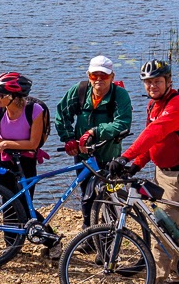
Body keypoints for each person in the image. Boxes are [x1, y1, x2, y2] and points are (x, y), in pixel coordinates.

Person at [109, 59, 179, 284]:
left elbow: (155, 132)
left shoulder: (176, 105)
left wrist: (124, 156)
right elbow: (152, 143)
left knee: (163, 227)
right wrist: (135, 164)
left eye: (157, 81)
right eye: (148, 82)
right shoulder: (154, 106)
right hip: (162, 171)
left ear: (168, 82)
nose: (152, 85)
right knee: (172, 223)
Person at [55, 55, 133, 230]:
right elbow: (62, 115)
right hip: (83, 155)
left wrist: (95, 131)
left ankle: (110, 233)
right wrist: (68, 139)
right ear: (88, 75)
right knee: (86, 194)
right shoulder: (80, 90)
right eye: (94, 75)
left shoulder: (120, 95)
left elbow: (123, 123)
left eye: (104, 76)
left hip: (109, 154)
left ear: (112, 76)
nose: (98, 80)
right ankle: (88, 232)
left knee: (111, 195)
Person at [0, 72, 58, 255]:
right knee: (8, 200)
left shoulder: (35, 110)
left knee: (25, 205)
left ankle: (51, 241)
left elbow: (33, 143)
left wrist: (5, 143)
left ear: (14, 97)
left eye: (1, 94)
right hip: (3, 159)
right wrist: (6, 145)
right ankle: (12, 246)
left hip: (26, 160)